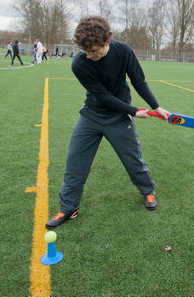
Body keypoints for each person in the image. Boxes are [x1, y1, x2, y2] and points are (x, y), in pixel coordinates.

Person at [46, 15, 170, 229]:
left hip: (118, 118)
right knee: (75, 162)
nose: (90, 55)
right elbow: (103, 97)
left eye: (94, 50)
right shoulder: (79, 64)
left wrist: (156, 106)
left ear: (107, 42)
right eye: (86, 51)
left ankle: (148, 192)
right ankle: (68, 207)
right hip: (92, 116)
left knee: (133, 160)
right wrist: (134, 111)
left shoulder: (123, 51)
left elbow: (138, 81)